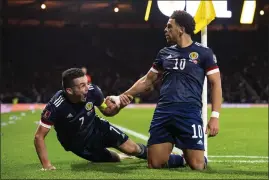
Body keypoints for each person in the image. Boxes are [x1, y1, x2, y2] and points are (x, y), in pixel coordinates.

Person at [116, 10, 222, 170]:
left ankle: (192, 158)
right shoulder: (164, 53)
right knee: (154, 164)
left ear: (181, 29)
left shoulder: (204, 53)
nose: (165, 30)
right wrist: (125, 95)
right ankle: (182, 160)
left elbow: (216, 84)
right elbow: (147, 80)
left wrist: (215, 116)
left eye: (169, 26)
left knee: (198, 166)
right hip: (164, 112)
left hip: (189, 113)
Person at [34, 68, 147, 170]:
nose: (87, 88)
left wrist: (119, 106)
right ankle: (119, 155)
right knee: (115, 159)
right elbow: (39, 136)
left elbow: (107, 111)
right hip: (78, 144)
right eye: (82, 85)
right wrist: (47, 165)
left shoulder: (93, 91)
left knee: (132, 149)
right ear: (69, 90)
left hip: (97, 127)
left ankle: (161, 157)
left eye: (87, 83)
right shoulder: (55, 106)